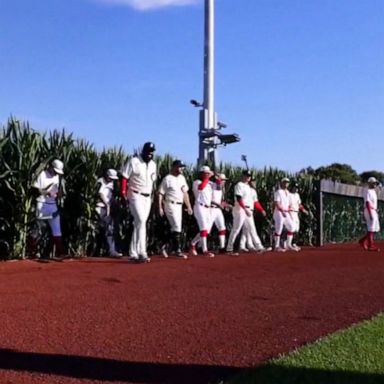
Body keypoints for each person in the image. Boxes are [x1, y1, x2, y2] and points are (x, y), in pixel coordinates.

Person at [120, 142, 157, 263]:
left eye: (152, 152)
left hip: (147, 197)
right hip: (135, 194)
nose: (150, 154)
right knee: (141, 220)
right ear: (144, 151)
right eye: (148, 151)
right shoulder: (134, 161)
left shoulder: (153, 165)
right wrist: (123, 192)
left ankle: (133, 253)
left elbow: (153, 181)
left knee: (139, 223)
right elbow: (125, 177)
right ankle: (142, 252)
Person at [158, 160, 193, 259]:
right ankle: (177, 250)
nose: (182, 168)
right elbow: (161, 193)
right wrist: (160, 207)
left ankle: (164, 246)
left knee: (176, 228)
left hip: (179, 205)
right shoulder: (167, 179)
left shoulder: (182, 178)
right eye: (180, 166)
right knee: (176, 226)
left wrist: (189, 206)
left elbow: (185, 193)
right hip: (170, 204)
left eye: (182, 166)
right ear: (174, 167)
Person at [32, 159, 66, 259]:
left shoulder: (58, 177)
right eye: (55, 171)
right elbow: (35, 189)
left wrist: (59, 194)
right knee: (39, 228)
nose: (56, 174)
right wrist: (46, 193)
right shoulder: (41, 174)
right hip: (41, 203)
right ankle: (33, 252)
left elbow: (58, 191)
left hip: (52, 204)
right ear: (50, 167)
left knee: (57, 229)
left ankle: (60, 252)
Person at [225, 170, 255, 255]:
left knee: (249, 229)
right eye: (246, 175)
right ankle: (229, 249)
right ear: (243, 176)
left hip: (246, 209)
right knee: (236, 229)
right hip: (240, 209)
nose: (248, 177)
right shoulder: (239, 185)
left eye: (249, 176)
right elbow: (239, 198)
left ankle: (251, 246)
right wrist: (245, 209)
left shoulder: (248, 187)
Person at [239, 180, 271, 253]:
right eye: (253, 182)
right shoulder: (244, 189)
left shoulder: (253, 191)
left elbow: (255, 202)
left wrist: (261, 209)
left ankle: (243, 246)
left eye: (255, 182)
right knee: (252, 229)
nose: (254, 183)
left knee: (246, 230)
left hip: (250, 210)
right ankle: (258, 246)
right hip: (244, 210)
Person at [96, 169, 122, 257]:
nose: (111, 180)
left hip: (108, 208)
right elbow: (100, 193)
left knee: (110, 229)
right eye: (110, 178)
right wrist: (106, 204)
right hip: (101, 208)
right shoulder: (100, 181)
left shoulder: (111, 184)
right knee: (106, 229)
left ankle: (112, 250)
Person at [190, 165, 215, 257]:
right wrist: (208, 178)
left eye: (208, 173)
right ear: (201, 173)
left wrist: (218, 179)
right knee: (204, 228)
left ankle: (193, 243)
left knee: (207, 230)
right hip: (199, 207)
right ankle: (205, 250)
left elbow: (218, 187)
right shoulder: (197, 182)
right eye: (205, 173)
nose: (207, 175)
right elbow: (201, 187)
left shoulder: (209, 183)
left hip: (208, 208)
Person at [273, 177, 298, 252]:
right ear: (281, 183)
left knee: (292, 227)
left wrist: (289, 211)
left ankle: (288, 245)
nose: (286, 183)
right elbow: (276, 203)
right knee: (279, 228)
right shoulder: (278, 192)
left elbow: (289, 204)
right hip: (279, 212)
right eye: (284, 182)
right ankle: (276, 246)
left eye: (287, 182)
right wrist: (282, 210)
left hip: (286, 212)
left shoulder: (288, 193)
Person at [358, 177, 381, 251]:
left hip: (373, 210)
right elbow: (367, 202)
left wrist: (374, 211)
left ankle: (362, 241)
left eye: (375, 183)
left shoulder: (373, 191)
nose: (375, 184)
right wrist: (370, 214)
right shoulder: (367, 191)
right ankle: (370, 245)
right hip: (369, 210)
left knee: (374, 229)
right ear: (369, 183)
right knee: (371, 228)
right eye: (373, 183)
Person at [288, 182, 309, 250]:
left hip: (296, 213)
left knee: (297, 228)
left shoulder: (297, 195)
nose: (296, 189)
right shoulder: (288, 195)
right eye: (295, 187)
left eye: (297, 188)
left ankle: (294, 243)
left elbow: (299, 204)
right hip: (291, 212)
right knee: (292, 228)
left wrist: (304, 210)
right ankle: (289, 244)